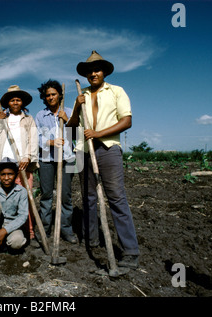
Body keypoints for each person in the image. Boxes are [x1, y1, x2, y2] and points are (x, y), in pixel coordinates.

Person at [66, 50, 140, 269]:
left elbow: (127, 121)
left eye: (97, 70)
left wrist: (98, 134)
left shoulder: (116, 91)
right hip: (84, 150)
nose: (93, 74)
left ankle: (130, 251)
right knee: (88, 198)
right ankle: (92, 241)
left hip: (108, 149)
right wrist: (77, 107)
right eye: (90, 71)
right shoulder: (82, 96)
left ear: (104, 72)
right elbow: (70, 130)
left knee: (116, 198)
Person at [35, 79, 77, 244]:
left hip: (67, 159)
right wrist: (51, 142)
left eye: (53, 94)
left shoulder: (69, 111)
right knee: (46, 195)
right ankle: (44, 229)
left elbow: (77, 135)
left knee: (65, 195)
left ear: (60, 95)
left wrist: (67, 120)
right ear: (44, 98)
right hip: (46, 159)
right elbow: (36, 137)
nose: (51, 97)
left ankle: (66, 230)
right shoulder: (40, 115)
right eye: (47, 95)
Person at [0, 85, 39, 242]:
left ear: (22, 103)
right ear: (8, 103)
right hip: (5, 165)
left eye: (18, 100)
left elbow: (33, 139)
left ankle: (29, 231)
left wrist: (28, 156)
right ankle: (7, 231)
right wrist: (0, 122)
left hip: (22, 164)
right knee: (5, 199)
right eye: (12, 100)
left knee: (25, 199)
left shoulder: (28, 119)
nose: (15, 102)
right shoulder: (2, 118)